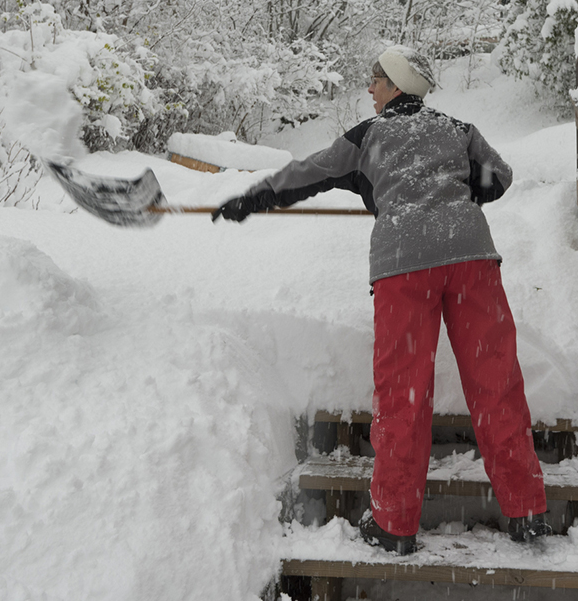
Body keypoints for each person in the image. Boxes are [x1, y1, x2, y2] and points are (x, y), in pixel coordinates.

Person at [212, 46, 551, 555]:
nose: (369, 87)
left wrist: (254, 197)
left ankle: (394, 523)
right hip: (472, 259)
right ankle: (526, 510)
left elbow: (310, 172)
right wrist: (454, 193)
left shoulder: (368, 136)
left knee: (403, 395)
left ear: (396, 85)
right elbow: (499, 176)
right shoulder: (459, 129)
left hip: (404, 266)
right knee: (496, 383)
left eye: (375, 79)